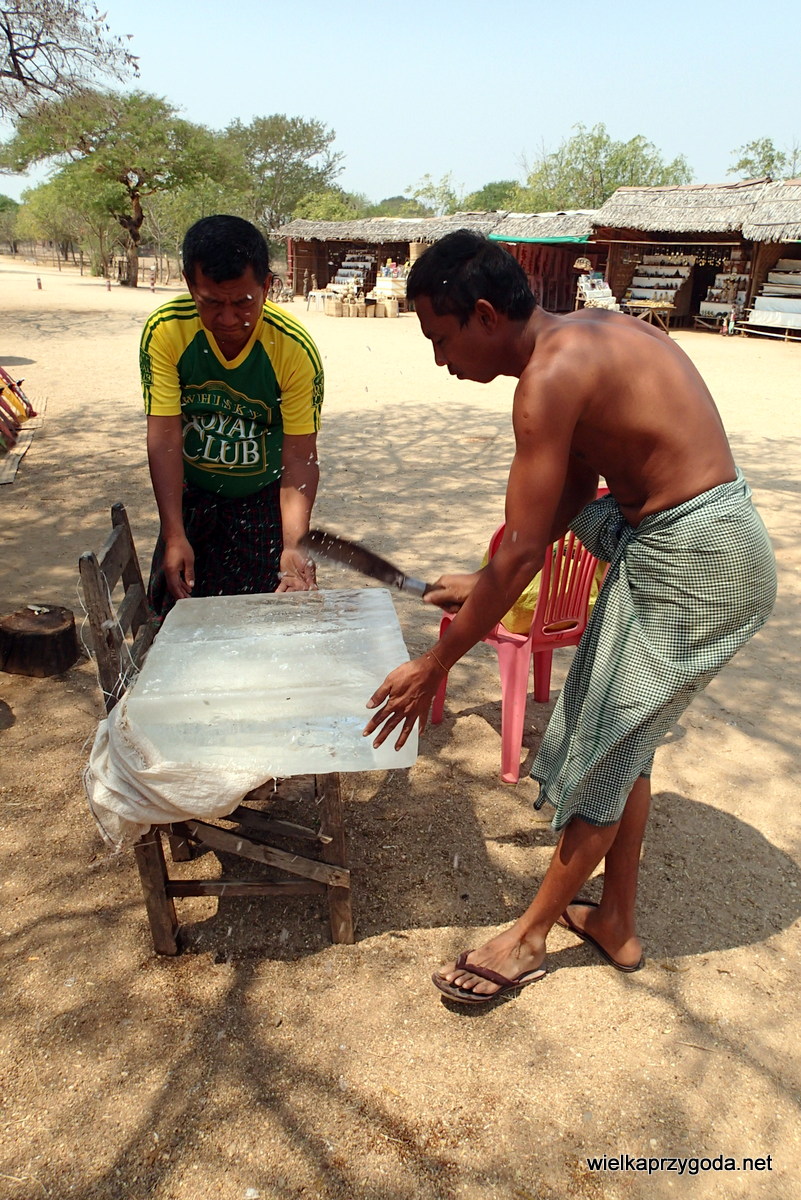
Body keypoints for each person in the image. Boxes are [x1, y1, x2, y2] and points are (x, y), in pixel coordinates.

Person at [363, 231, 777, 1005]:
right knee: (627, 738)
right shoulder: (592, 334)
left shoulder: (546, 379)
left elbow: (525, 550)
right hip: (686, 539)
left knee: (602, 750)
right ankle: (614, 919)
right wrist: (481, 580)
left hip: (696, 563)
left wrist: (436, 663)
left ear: (485, 315)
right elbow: (571, 499)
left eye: (440, 338)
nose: (439, 359)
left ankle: (526, 938)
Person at [141, 214, 323, 618]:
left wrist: (293, 544)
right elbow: (165, 438)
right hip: (191, 501)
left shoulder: (293, 349)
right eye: (211, 302)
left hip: (261, 503)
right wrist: (174, 534)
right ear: (190, 285)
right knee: (178, 618)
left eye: (243, 303)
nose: (227, 320)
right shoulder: (166, 331)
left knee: (265, 621)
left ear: (267, 287)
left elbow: (299, 458)